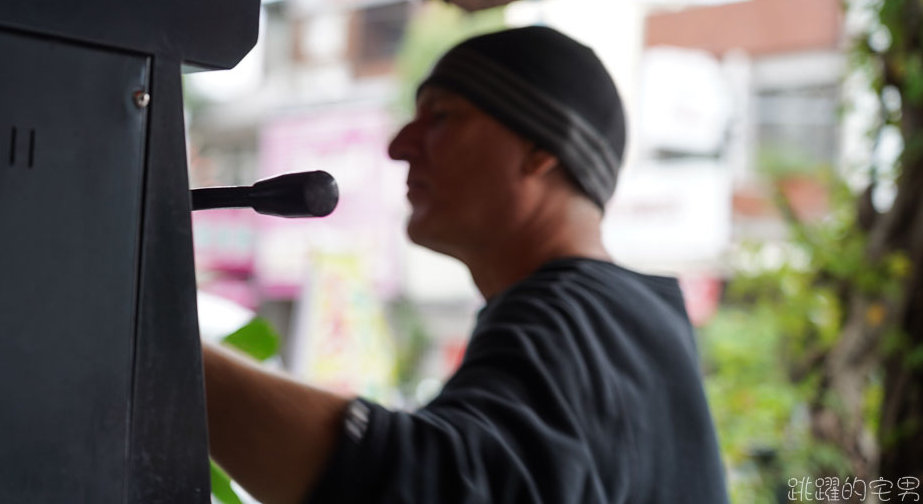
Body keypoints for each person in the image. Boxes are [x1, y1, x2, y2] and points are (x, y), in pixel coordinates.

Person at [203, 26, 730, 504]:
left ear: (541, 149)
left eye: (441, 117)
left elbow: (430, 485)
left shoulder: (570, 313)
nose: (398, 145)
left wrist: (162, 347)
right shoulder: (623, 321)